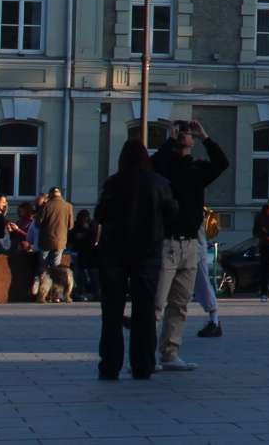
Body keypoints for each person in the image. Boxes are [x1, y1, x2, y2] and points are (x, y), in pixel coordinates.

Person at [94, 137, 176, 382]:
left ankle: (110, 365)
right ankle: (143, 365)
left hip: (114, 253)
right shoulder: (160, 184)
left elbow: (100, 214)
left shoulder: (113, 183)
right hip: (148, 253)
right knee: (144, 311)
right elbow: (172, 215)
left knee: (112, 312)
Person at [150, 119, 227, 372]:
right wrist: (169, 140)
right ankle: (145, 354)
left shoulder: (197, 168)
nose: (187, 135)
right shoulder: (166, 167)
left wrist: (206, 136)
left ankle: (170, 353)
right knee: (156, 304)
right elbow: (154, 167)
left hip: (191, 243)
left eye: (189, 133)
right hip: (167, 242)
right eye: (183, 132)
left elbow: (222, 164)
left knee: (180, 304)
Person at [37, 188, 73, 302]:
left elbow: (39, 222)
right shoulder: (68, 206)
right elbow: (71, 225)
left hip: (46, 241)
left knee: (44, 269)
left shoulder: (46, 206)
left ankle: (42, 295)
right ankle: (56, 296)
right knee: (57, 269)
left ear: (51, 194)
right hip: (61, 241)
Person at [193, 207, 222, 337]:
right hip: (193, 246)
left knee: (202, 283)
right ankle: (214, 320)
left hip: (195, 247)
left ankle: (214, 321)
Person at [67, 209, 99, 302]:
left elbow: (94, 238)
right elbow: (71, 236)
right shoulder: (80, 225)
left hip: (89, 253)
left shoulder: (92, 225)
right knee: (81, 274)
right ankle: (83, 292)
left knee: (90, 274)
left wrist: (83, 236)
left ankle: (92, 292)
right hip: (82, 253)